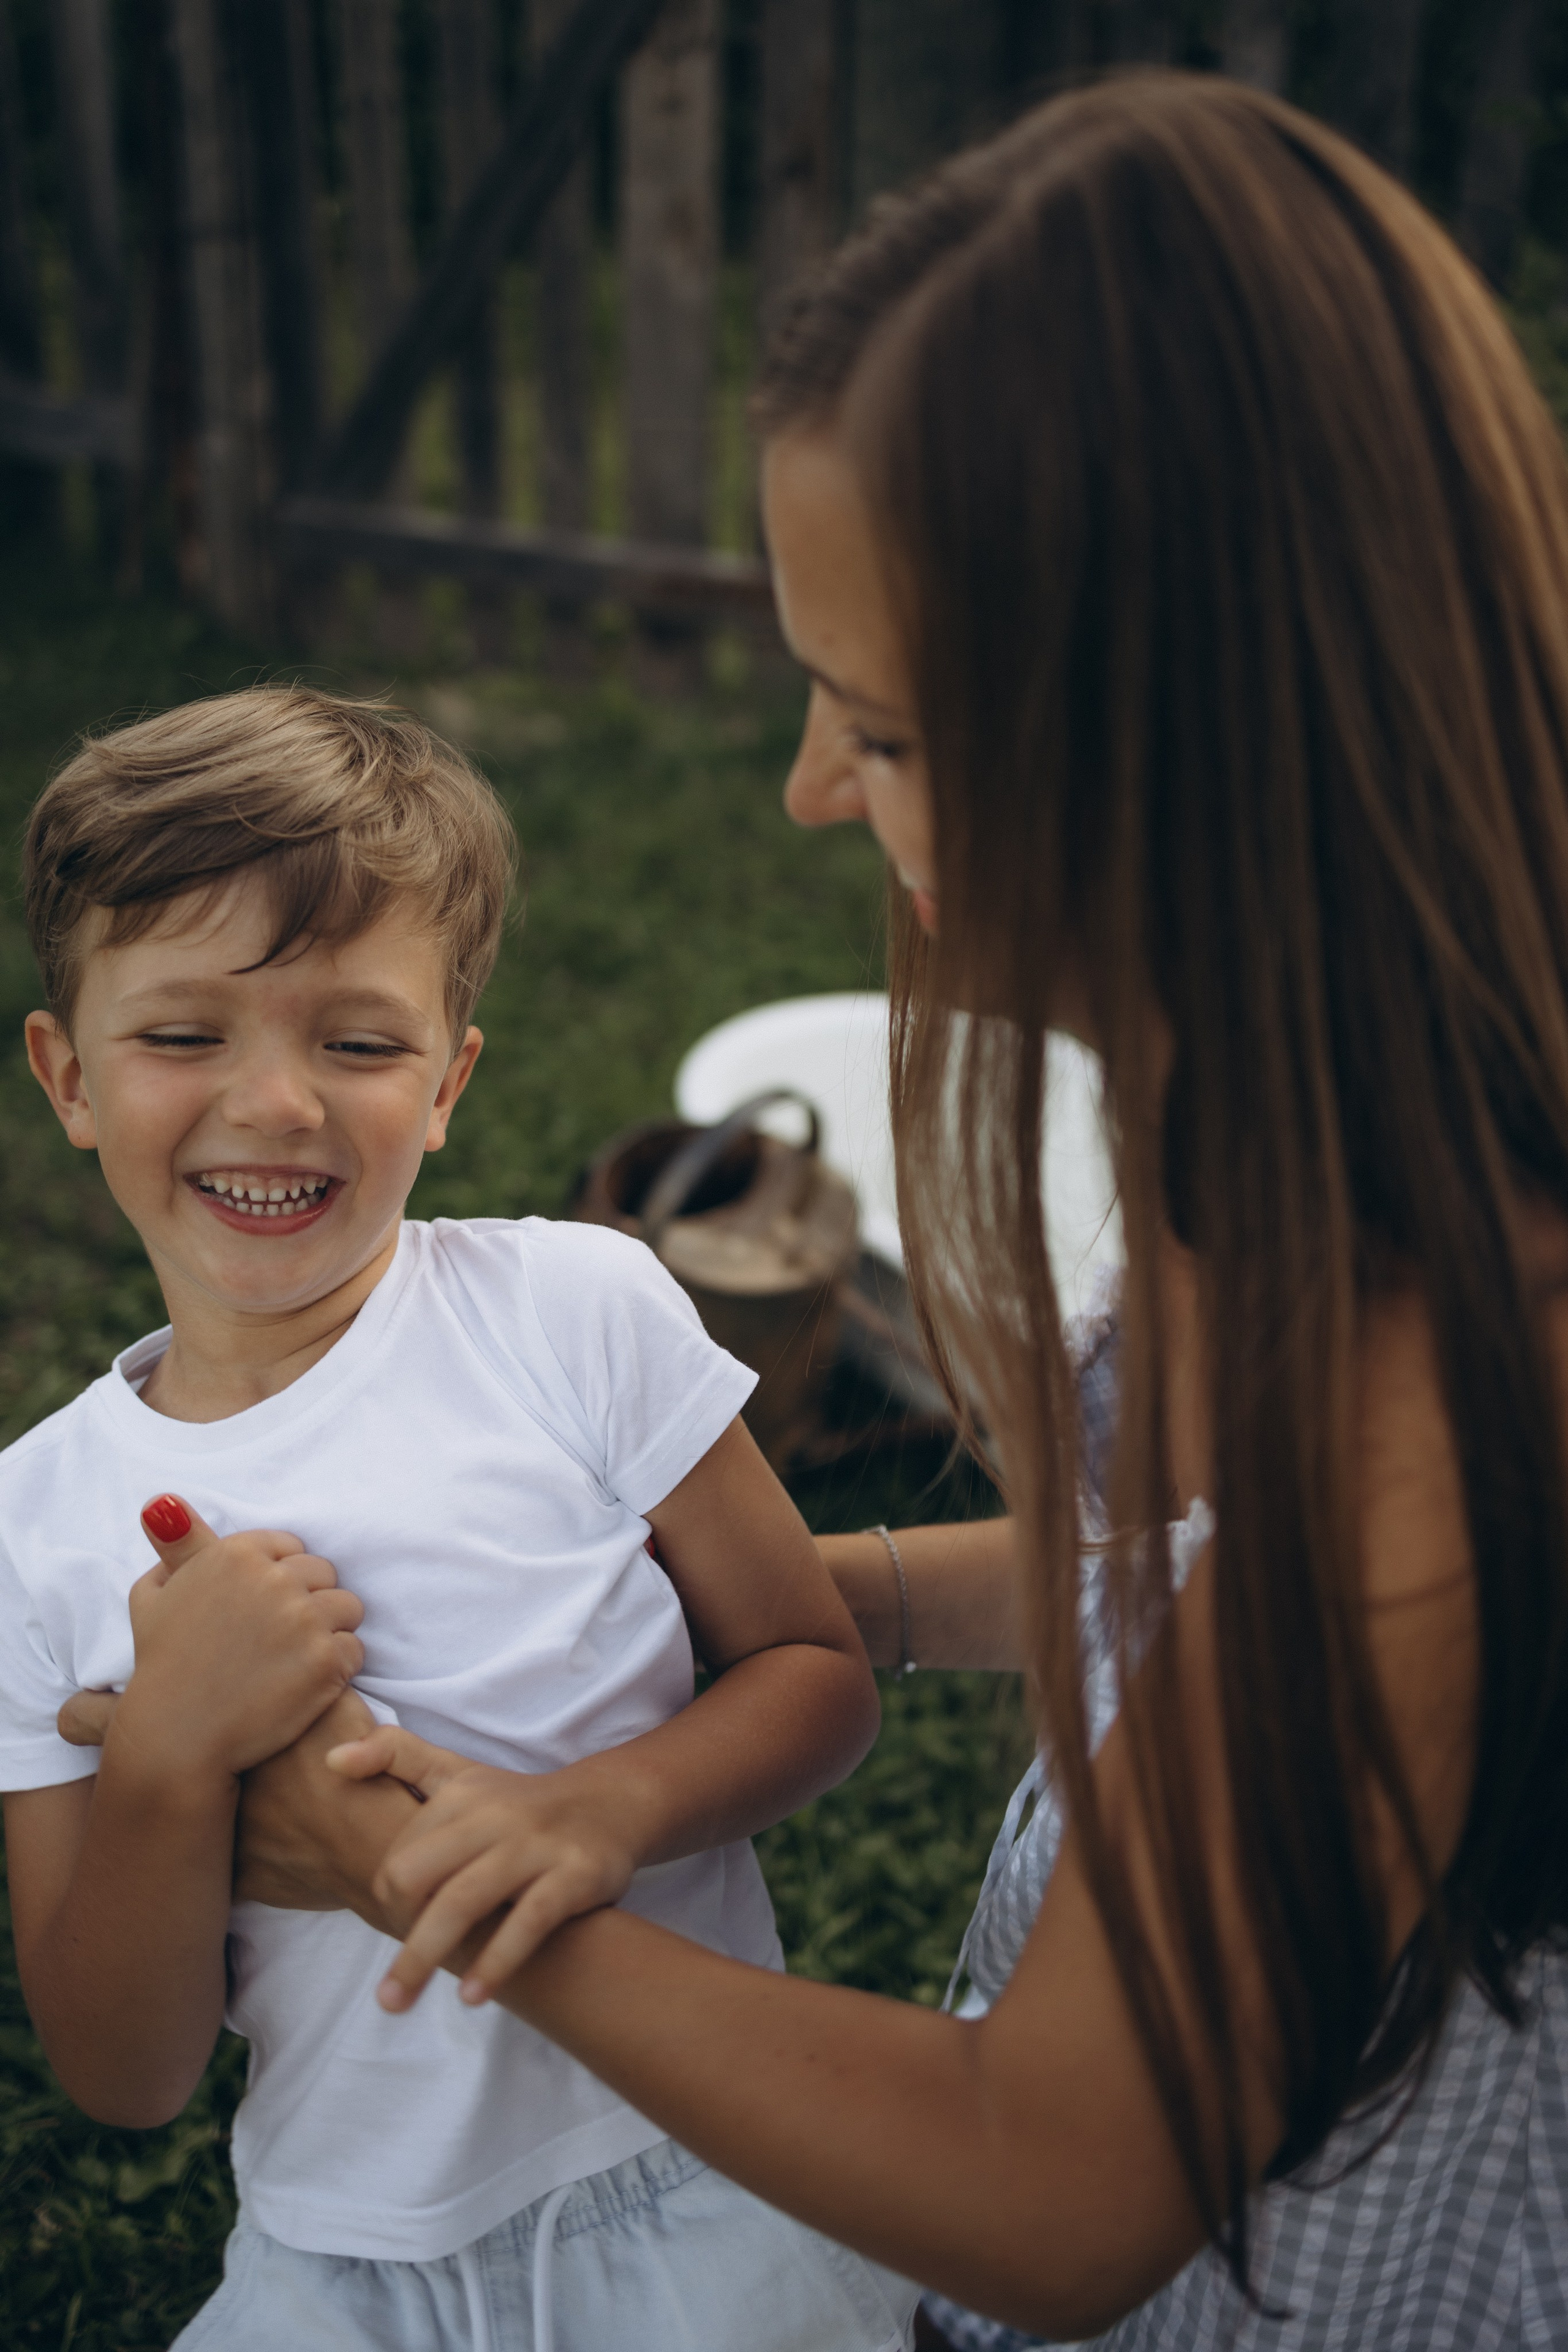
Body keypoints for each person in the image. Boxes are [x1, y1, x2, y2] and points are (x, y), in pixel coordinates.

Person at [165, 73, 1568, 2348]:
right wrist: (811, 1596)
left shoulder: (1452, 1346)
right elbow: (1209, 1579)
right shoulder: (1285, 1111)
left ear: (1189, 731)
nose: (813, 790)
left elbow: (1051, 2188)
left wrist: (408, 1862)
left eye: (884, 728)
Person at [0, 684, 918, 2352]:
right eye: (184, 1034)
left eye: (356, 1043)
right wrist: (165, 1759)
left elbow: (811, 1665)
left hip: (693, 2164)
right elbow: (123, 2075)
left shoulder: (573, 1311)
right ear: (67, 1075)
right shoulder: (30, 1524)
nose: (276, 1104)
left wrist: (601, 1816)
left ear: (446, 1081)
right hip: (341, 2263)